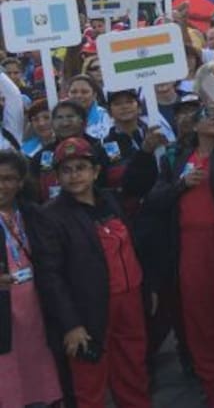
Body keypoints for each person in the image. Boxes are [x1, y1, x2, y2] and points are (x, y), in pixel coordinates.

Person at [141, 83, 214, 407]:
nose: (211, 120)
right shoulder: (177, 158)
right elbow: (154, 199)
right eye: (204, 116)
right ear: (193, 125)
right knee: (202, 323)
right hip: (191, 248)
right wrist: (181, 185)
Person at [33, 137, 153, 408]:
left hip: (129, 301)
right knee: (90, 386)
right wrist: (71, 324)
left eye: (81, 167)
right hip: (88, 310)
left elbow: (134, 247)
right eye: (67, 169)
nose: (74, 175)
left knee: (134, 375)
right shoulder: (50, 216)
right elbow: (50, 276)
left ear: (96, 171)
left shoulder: (111, 200)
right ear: (57, 176)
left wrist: (148, 289)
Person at [0, 150, 63, 407]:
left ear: (20, 182)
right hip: (4, 314)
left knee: (40, 370)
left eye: (8, 178)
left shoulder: (33, 214)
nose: (1, 185)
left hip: (37, 307)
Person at [67, 74, 112, 140]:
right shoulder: (60, 117)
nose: (78, 96)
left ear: (94, 95)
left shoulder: (107, 117)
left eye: (84, 92)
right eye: (73, 92)